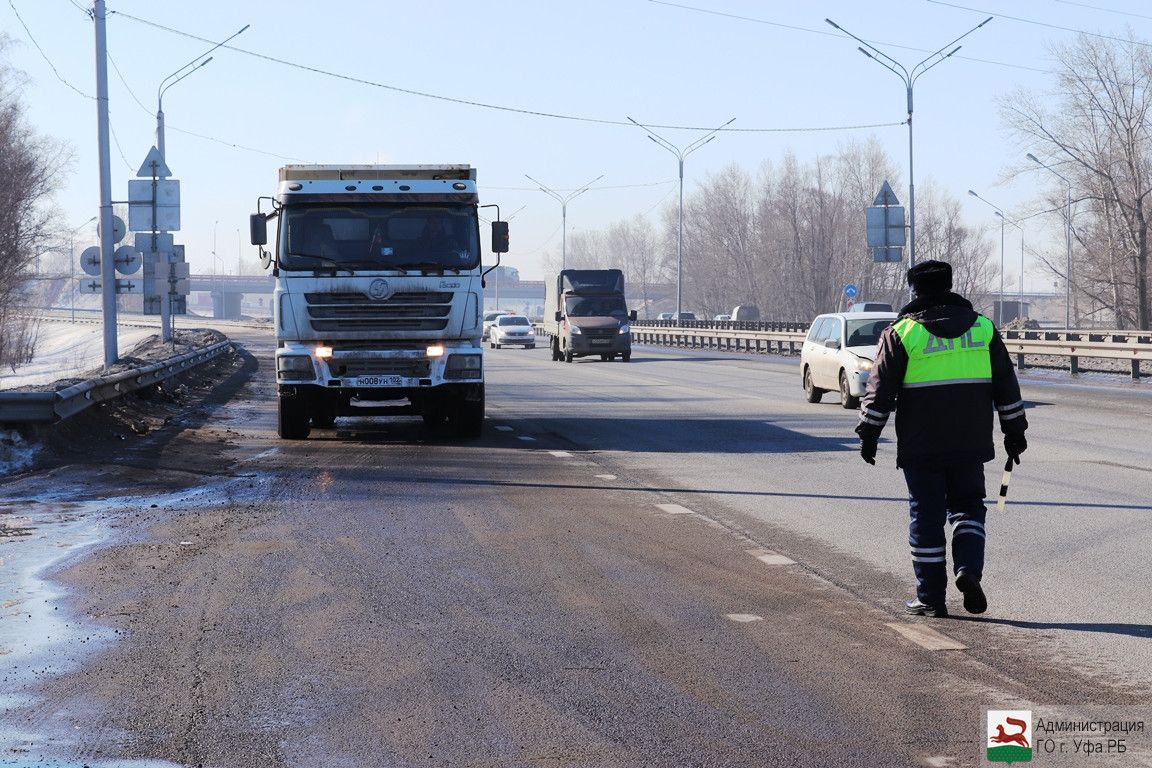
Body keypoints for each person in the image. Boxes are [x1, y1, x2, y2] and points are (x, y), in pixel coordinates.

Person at [855, 260, 1029, 618]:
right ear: (949, 285)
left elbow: (879, 391)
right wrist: (1015, 432)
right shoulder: (983, 329)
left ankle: (931, 597)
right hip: (970, 444)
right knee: (968, 508)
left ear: (915, 291)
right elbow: (1006, 387)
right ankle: (967, 569)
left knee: (927, 517)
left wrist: (869, 433)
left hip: (923, 447)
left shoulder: (902, 333)